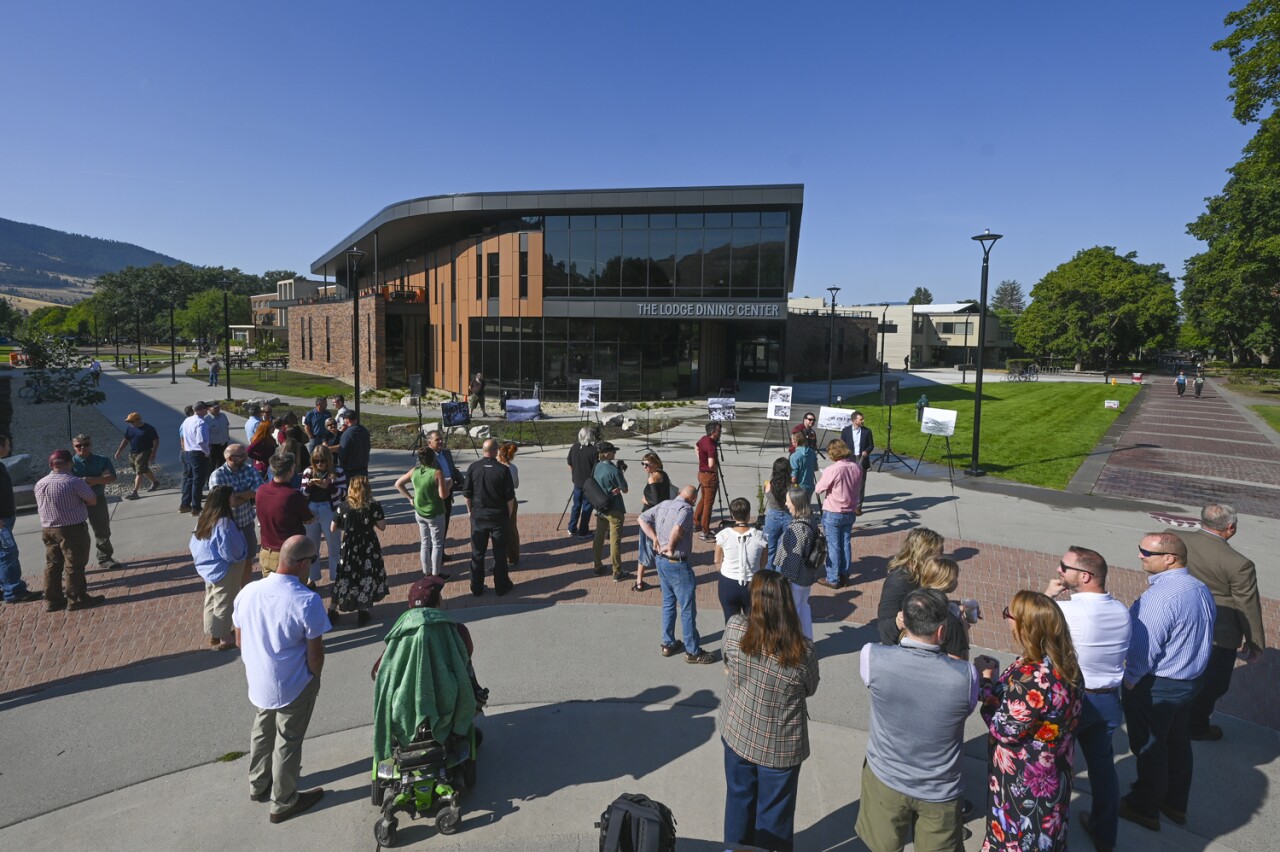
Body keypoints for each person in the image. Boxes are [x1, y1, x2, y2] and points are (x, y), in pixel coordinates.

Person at [857, 588, 977, 852]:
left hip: (885, 779)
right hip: (939, 790)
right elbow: (966, 709)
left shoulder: (872, 657)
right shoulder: (966, 677)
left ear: (904, 620)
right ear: (942, 631)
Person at [1119, 531, 1216, 833]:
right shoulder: (1199, 588)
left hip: (1158, 685)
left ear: (1169, 559)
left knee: (1150, 748)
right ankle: (1174, 803)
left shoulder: (1161, 596)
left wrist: (1132, 679)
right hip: (1189, 683)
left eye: (1146, 553)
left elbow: (1144, 646)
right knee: (1177, 743)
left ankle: (1144, 807)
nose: (1140, 556)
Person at [974, 591, 1083, 851]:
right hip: (1054, 771)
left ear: (1026, 627)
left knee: (1020, 840)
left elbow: (1003, 728)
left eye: (1008, 615)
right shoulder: (1067, 665)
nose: (1007, 620)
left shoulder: (1033, 677)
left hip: (1024, 784)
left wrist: (988, 683)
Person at [233, 534, 329, 824]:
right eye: (313, 560)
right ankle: (283, 800)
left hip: (260, 680)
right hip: (293, 683)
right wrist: (315, 677)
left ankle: (258, 784)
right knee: (288, 741)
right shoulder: (306, 600)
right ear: (301, 563)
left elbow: (239, 640)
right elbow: (316, 655)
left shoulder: (248, 591)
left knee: (263, 730)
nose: (313, 566)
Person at [720, 571, 819, 852]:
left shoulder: (737, 628)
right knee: (774, 816)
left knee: (738, 802)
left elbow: (727, 658)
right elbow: (810, 688)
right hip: (780, 746)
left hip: (738, 730)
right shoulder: (802, 652)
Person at [1043, 546, 1131, 852]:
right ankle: (1105, 834)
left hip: (1072, 701)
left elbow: (1022, 622)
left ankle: (1051, 834)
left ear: (1084, 576)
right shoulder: (1121, 610)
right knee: (1103, 769)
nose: (1058, 571)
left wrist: (1047, 596)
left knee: (1051, 768)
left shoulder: (1067, 612)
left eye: (1063, 567)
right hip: (1108, 702)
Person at [1175, 503, 1266, 742]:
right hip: (1218, 631)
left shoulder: (1176, 540)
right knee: (1212, 684)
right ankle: (1197, 726)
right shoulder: (1239, 564)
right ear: (1231, 528)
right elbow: (1247, 606)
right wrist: (1254, 642)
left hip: (1179, 621)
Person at [637, 484, 715, 664]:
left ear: (680, 494)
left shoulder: (664, 504)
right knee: (687, 608)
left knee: (668, 602)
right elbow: (677, 529)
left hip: (661, 561)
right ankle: (692, 650)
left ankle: (668, 642)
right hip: (677, 563)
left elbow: (642, 518)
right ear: (694, 500)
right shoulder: (686, 509)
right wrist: (671, 546)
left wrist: (654, 538)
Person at [35, 449, 103, 612]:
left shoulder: (40, 483)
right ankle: (76, 598)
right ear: (69, 463)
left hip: (48, 528)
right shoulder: (73, 482)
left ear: (51, 465)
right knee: (74, 563)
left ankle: (53, 599)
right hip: (71, 529)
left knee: (53, 563)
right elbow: (92, 500)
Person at [190, 485, 248, 651]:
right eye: (232, 496)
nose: (234, 498)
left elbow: (195, 545)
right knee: (224, 602)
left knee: (211, 599)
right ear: (224, 500)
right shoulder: (224, 524)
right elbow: (232, 551)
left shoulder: (204, 518)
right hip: (225, 568)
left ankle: (214, 633)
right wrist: (240, 556)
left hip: (208, 568)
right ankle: (225, 638)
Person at [888, 556, 971, 661]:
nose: (957, 582)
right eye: (955, 578)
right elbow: (960, 664)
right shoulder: (950, 621)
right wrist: (963, 625)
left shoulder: (914, 602)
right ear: (946, 582)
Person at [330, 474, 387, 626]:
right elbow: (382, 526)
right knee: (366, 575)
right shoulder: (373, 506)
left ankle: (332, 608)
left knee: (344, 576)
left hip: (349, 545)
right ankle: (363, 611)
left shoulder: (343, 506)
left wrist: (348, 526)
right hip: (368, 546)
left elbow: (333, 527)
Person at [463, 438, 516, 597]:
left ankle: (476, 587)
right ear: (495, 451)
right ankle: (501, 586)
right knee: (499, 553)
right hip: (498, 516)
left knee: (478, 553)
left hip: (479, 517)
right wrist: (508, 514)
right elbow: (509, 497)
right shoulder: (502, 470)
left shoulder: (473, 468)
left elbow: (467, 494)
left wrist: (470, 511)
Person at [877, 528, 945, 646]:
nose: (940, 560)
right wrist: (897, 622)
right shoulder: (898, 581)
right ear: (922, 554)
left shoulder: (924, 573)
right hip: (905, 648)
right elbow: (884, 628)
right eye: (936, 557)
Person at [208, 443, 261, 587]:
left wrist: (236, 495)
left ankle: (244, 589)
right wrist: (248, 495)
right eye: (243, 455)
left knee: (249, 559)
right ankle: (233, 591)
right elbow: (225, 503)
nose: (246, 457)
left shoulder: (249, 470)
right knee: (231, 563)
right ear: (231, 458)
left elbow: (259, 491)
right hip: (228, 528)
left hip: (247, 523)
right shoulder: (218, 476)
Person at [772, 487, 821, 639]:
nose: (786, 504)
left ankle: (794, 647)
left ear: (797, 503)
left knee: (791, 613)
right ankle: (807, 641)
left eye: (789, 501)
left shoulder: (798, 528)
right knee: (804, 608)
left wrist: (786, 580)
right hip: (807, 575)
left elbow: (794, 556)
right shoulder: (810, 521)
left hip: (795, 578)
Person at [255, 453, 315, 579]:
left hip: (266, 552)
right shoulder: (292, 495)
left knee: (271, 595)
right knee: (294, 594)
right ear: (291, 470)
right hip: (289, 555)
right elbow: (308, 519)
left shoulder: (261, 490)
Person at [395, 445, 450, 579]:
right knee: (437, 544)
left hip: (419, 512)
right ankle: (436, 574)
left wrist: (410, 498)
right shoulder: (437, 473)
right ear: (433, 459)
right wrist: (449, 484)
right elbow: (443, 495)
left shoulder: (414, 471)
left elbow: (398, 484)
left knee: (425, 543)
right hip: (435, 512)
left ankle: (426, 572)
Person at [814, 439, 862, 589]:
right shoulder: (856, 467)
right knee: (845, 543)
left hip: (834, 511)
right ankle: (844, 574)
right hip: (849, 510)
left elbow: (819, 489)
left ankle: (833, 578)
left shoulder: (832, 469)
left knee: (833, 546)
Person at [70, 433, 121, 570]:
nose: (82, 448)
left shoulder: (102, 460)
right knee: (76, 534)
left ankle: (105, 558)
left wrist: (89, 480)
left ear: (91, 444)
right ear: (73, 447)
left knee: (102, 530)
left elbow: (111, 477)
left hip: (97, 500)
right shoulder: (68, 464)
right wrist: (98, 478)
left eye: (86, 444)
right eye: (78, 445)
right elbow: (68, 485)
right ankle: (75, 563)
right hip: (76, 503)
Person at [0, 433, 40, 604]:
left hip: (6, 517)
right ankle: (14, 591)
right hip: (1, 521)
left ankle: (5, 588)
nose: (9, 448)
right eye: (7, 445)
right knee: (8, 554)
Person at [715, 497, 767, 621]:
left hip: (728, 582)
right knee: (754, 623)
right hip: (753, 582)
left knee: (731, 622)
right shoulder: (761, 537)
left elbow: (717, 561)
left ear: (732, 515)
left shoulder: (723, 535)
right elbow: (763, 562)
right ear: (748, 514)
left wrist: (725, 572)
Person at [300, 445, 346, 588]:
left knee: (334, 545)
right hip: (312, 508)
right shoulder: (308, 472)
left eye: (323, 461)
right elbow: (301, 494)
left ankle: (336, 577)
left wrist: (329, 487)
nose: (320, 464)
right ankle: (312, 578)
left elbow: (345, 493)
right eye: (316, 461)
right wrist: (309, 486)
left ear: (329, 460)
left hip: (329, 509)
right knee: (311, 546)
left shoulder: (337, 472)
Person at [591, 441, 629, 580]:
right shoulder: (613, 470)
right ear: (607, 454)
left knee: (599, 538)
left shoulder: (598, 466)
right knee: (615, 541)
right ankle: (617, 571)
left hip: (601, 508)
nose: (615, 453)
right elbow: (625, 489)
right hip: (615, 509)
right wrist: (620, 472)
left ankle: (597, 565)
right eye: (613, 451)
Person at [634, 451, 672, 592]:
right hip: (663, 518)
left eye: (646, 464)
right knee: (661, 550)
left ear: (655, 464)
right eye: (642, 463)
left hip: (650, 519)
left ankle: (639, 582)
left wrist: (644, 500)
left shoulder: (653, 478)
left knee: (646, 549)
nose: (644, 467)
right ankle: (664, 583)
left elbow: (655, 502)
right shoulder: (663, 474)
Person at [426, 430, 459, 560]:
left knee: (444, 524)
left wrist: (465, 482)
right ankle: (431, 554)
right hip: (435, 496)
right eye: (437, 440)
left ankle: (440, 552)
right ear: (429, 442)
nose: (440, 442)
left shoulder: (446, 453)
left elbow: (453, 470)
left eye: (441, 439)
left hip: (447, 493)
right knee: (434, 528)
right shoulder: (426, 456)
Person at [114, 411, 161, 499]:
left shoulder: (149, 428)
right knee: (143, 469)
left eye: (132, 421)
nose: (130, 423)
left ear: (138, 420)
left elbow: (156, 440)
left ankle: (135, 492)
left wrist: (153, 452)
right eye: (128, 422)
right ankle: (155, 482)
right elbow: (125, 440)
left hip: (144, 452)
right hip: (133, 453)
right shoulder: (130, 429)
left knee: (139, 472)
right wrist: (119, 451)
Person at [565, 425, 599, 540]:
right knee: (587, 507)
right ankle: (583, 531)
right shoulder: (594, 451)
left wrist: (575, 473)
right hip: (589, 484)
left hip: (577, 482)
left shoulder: (574, 447)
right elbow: (596, 468)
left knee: (576, 505)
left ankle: (572, 527)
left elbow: (570, 464)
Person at [179, 400, 212, 514]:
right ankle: (196, 507)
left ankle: (184, 504)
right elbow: (201, 441)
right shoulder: (201, 423)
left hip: (188, 452)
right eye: (206, 409)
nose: (207, 411)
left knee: (189, 479)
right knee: (198, 481)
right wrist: (207, 452)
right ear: (202, 410)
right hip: (198, 453)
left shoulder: (187, 420)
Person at [839, 410, 874, 506]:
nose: (863, 421)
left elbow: (871, 445)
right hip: (850, 459)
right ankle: (848, 502)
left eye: (863, 419)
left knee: (861, 483)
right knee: (848, 481)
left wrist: (867, 451)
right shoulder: (845, 431)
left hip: (862, 458)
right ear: (854, 420)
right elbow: (842, 445)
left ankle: (859, 505)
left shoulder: (867, 431)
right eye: (861, 419)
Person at [761, 458, 792, 568]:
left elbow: (766, 493)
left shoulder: (768, 484)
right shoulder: (792, 486)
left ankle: (769, 572)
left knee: (770, 547)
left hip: (772, 516)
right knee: (784, 548)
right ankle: (780, 572)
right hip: (788, 516)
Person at [694, 422, 721, 541]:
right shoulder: (711, 445)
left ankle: (696, 522)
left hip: (701, 474)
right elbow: (711, 464)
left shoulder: (703, 439)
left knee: (703, 500)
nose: (720, 433)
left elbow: (696, 447)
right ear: (713, 432)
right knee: (708, 505)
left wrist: (700, 460)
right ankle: (705, 531)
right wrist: (714, 469)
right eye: (719, 431)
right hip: (710, 477)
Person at [496, 442, 521, 565]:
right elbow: (516, 484)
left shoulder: (498, 469)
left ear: (500, 455)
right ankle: (514, 557)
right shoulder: (514, 468)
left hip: (500, 501)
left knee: (499, 530)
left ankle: (501, 557)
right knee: (512, 529)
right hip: (512, 500)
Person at [204, 402, 231, 489]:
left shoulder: (223, 415)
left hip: (224, 444)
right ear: (209, 409)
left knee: (223, 465)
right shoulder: (206, 419)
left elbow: (226, 426)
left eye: (218, 408)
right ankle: (210, 485)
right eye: (214, 408)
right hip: (213, 446)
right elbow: (205, 434)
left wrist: (227, 437)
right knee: (211, 466)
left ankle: (222, 483)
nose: (217, 410)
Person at [338, 410, 371, 479]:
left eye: (344, 419)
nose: (343, 420)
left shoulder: (347, 434)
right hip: (363, 468)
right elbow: (368, 447)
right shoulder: (364, 431)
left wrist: (341, 464)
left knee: (351, 489)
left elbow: (343, 452)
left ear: (348, 420)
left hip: (350, 470)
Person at [788, 432, 816, 506]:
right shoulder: (812, 452)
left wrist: (791, 486)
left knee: (798, 509)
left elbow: (794, 476)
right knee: (807, 506)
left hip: (799, 486)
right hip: (810, 485)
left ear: (795, 442)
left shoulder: (794, 456)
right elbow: (815, 468)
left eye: (792, 440)